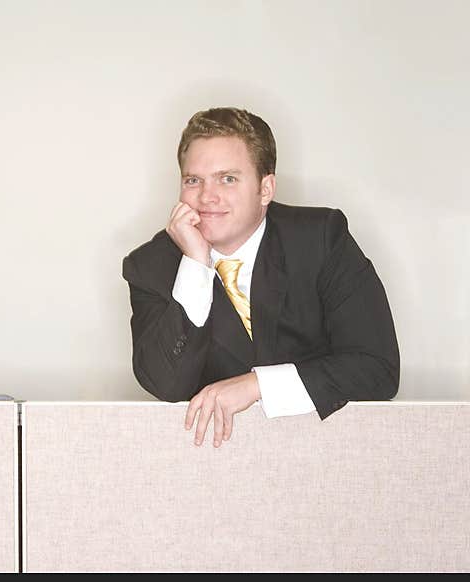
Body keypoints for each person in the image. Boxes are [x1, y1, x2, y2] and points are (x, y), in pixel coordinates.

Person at [122, 107, 399, 448]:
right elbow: (166, 384)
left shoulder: (322, 239)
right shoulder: (149, 265)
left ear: (265, 189)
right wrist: (196, 264)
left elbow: (377, 370)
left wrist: (256, 386)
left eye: (227, 178)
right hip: (215, 462)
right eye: (193, 180)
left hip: (327, 454)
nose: (207, 197)